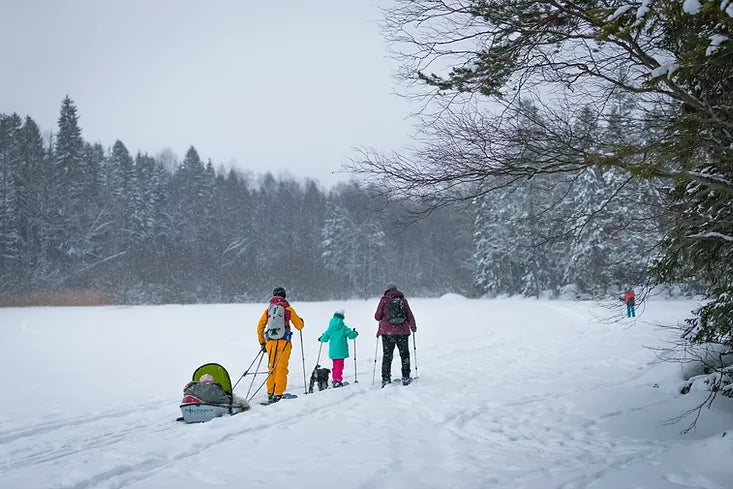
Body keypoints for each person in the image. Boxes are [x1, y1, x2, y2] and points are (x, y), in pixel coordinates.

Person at [257, 287, 304, 403]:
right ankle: (278, 394)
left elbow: (260, 327)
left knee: (271, 368)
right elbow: (299, 326)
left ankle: (270, 393)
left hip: (270, 343)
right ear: (284, 296)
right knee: (281, 368)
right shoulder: (288, 309)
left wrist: (262, 342)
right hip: (284, 342)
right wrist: (301, 321)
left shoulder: (268, 310)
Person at [375, 283, 416, 387]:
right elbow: (409, 314)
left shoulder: (384, 300)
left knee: (387, 356)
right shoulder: (403, 300)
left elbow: (377, 316)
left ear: (387, 290)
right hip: (402, 332)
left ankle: (385, 378)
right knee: (405, 355)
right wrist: (413, 326)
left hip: (387, 333)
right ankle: (406, 377)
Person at [319, 309, 359, 387]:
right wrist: (355, 333)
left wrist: (321, 338)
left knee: (335, 366)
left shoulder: (330, 328)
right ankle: (337, 380)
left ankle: (335, 380)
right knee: (339, 366)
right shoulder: (344, 327)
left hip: (333, 351)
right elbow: (351, 336)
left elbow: (325, 338)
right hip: (341, 351)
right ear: (342, 318)